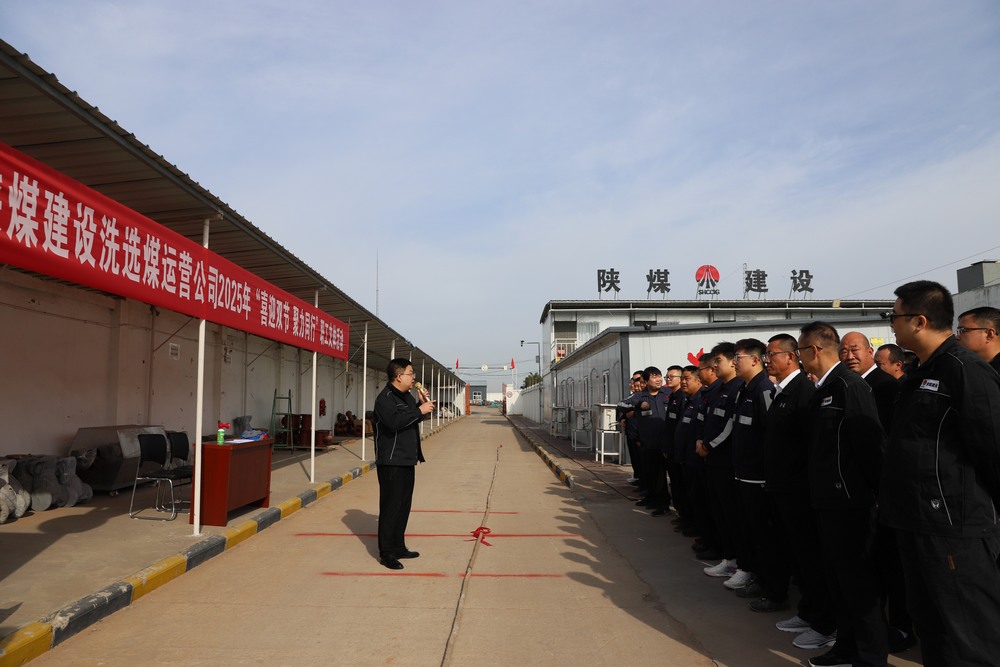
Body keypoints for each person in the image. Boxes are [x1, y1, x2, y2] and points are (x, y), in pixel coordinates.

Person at [881, 282, 1000, 666]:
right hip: (918, 522)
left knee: (965, 635)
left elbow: (994, 449)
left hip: (953, 528)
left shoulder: (965, 371)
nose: (891, 326)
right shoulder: (921, 371)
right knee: (931, 626)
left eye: (894, 317)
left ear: (919, 320)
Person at [797, 322, 887, 667]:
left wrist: (876, 496)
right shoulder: (824, 388)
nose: (801, 359)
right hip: (828, 503)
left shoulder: (850, 386)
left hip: (852, 504)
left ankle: (870, 657)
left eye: (802, 351)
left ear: (815, 350)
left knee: (859, 584)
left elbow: (871, 445)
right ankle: (846, 646)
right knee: (839, 580)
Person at [762, 334, 836, 651]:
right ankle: (808, 612)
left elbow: (811, 446)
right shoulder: (783, 393)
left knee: (812, 558)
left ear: (791, 357)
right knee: (799, 558)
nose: (767, 360)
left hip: (801, 492)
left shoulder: (804, 392)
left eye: (771, 354)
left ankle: (825, 624)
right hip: (784, 490)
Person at [372, 358, 435, 570]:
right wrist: (419, 410)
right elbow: (394, 423)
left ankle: (398, 546)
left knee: (403, 506)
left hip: (407, 459)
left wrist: (420, 404)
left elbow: (412, 418)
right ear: (399, 376)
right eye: (411, 374)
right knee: (391, 507)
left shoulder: (406, 397)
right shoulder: (385, 399)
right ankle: (386, 553)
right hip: (391, 461)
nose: (414, 377)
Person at [697, 342, 745, 585]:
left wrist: (709, 445)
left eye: (718, 361)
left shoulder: (739, 388)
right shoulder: (719, 390)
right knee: (721, 512)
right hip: (713, 461)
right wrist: (702, 440)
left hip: (726, 462)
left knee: (732, 514)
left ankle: (739, 563)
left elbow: (730, 424)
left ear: (732, 361)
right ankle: (729, 558)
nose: (714, 366)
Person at [839, 331, 899, 431]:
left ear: (870, 352)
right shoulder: (844, 385)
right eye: (844, 352)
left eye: (855, 350)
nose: (850, 357)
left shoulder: (887, 384)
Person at [633, 366, 672, 514]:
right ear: (646, 381)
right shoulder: (640, 396)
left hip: (666, 443)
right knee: (653, 476)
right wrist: (638, 405)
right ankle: (656, 501)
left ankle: (664, 504)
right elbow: (621, 405)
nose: (658, 379)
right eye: (654, 377)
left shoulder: (668, 393)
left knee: (664, 476)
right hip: (649, 444)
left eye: (659, 376)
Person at [955, 306, 1000, 372]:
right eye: (958, 331)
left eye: (963, 330)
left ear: (989, 334)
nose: (957, 337)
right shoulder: (970, 367)